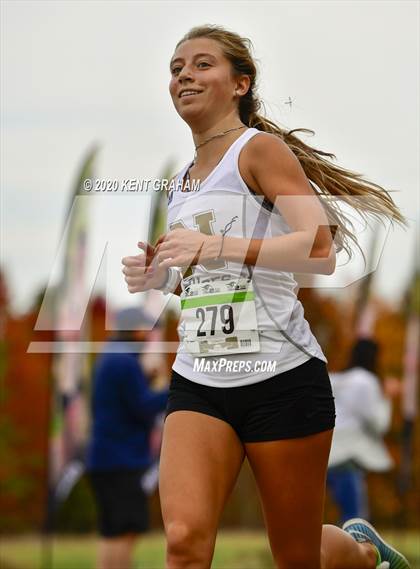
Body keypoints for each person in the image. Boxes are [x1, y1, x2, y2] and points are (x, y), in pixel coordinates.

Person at [121, 25, 410, 569]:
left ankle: (364, 553)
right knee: (183, 542)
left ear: (240, 83)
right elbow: (212, 279)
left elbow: (319, 249)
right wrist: (160, 276)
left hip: (280, 378)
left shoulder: (259, 151)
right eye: (176, 67)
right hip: (199, 381)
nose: (184, 74)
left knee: (296, 556)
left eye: (202, 64)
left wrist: (214, 243)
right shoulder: (182, 182)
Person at [86, 307, 169, 569]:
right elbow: (143, 407)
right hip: (120, 461)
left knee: (113, 532)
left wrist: (144, 379)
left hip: (105, 460)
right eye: (146, 329)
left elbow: (122, 401)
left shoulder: (110, 357)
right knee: (126, 531)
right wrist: (175, 389)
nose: (148, 336)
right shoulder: (125, 362)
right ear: (135, 330)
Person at [327, 339, 394, 524]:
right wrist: (387, 398)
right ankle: (348, 552)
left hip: (322, 454)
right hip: (346, 457)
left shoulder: (334, 379)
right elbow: (379, 424)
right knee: (355, 520)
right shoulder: (367, 382)